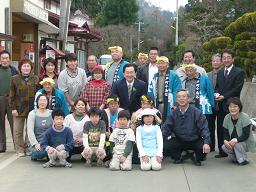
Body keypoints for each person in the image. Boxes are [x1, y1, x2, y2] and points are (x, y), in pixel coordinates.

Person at [162, 89, 211, 166]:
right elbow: (166, 128)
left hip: (194, 140)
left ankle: (195, 155)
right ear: (177, 99)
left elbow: (204, 128)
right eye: (179, 97)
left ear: (188, 98)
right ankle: (181, 154)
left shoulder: (196, 112)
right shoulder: (173, 113)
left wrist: (206, 143)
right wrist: (159, 140)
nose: (181, 99)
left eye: (184, 96)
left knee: (203, 149)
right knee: (164, 146)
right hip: (179, 140)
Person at [215, 49, 245, 158]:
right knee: (220, 128)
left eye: (228, 57)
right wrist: (216, 94)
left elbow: (237, 88)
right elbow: (217, 86)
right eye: (224, 58)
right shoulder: (219, 72)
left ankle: (235, 152)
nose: (226, 60)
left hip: (233, 106)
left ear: (233, 58)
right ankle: (222, 151)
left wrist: (224, 96)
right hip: (221, 105)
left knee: (234, 129)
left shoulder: (239, 72)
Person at [9, 59, 39, 157]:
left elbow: (38, 94)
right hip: (18, 108)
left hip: (31, 108)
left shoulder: (35, 78)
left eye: (28, 66)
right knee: (18, 130)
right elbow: (11, 95)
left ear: (31, 68)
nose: (26, 68)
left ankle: (28, 147)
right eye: (24, 66)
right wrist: (13, 108)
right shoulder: (14, 78)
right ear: (20, 67)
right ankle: (19, 149)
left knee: (30, 129)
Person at [221, 97, 255, 165]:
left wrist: (235, 140)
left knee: (237, 144)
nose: (232, 108)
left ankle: (244, 160)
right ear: (228, 108)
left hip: (245, 142)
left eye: (235, 106)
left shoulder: (245, 117)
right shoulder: (226, 117)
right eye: (230, 106)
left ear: (239, 108)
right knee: (224, 147)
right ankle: (236, 158)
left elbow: (246, 135)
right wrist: (225, 140)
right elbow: (225, 133)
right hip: (234, 142)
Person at [148, 56, 181, 122]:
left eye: (163, 63)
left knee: (169, 123)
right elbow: (150, 91)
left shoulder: (174, 76)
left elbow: (177, 90)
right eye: (159, 63)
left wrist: (175, 103)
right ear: (157, 65)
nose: (161, 65)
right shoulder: (155, 76)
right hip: (156, 104)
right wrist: (149, 103)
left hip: (169, 104)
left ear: (168, 65)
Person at [182, 64, 214, 131]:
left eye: (191, 70)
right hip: (189, 107)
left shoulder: (204, 79)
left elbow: (210, 93)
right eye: (187, 71)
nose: (189, 72)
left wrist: (212, 106)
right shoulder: (184, 81)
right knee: (191, 128)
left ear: (195, 70)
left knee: (203, 128)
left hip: (202, 107)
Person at [0, 50, 18, 153]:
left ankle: (17, 145)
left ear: (9, 60)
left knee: (14, 123)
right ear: (0, 60)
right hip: (0, 98)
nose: (5, 60)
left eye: (7, 58)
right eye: (3, 58)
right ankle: (1, 146)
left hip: (12, 99)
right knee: (0, 123)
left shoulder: (14, 70)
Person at [27, 94, 52, 160]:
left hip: (49, 143)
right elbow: (30, 131)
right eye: (40, 100)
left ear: (47, 102)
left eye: (44, 100)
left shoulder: (51, 113)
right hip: (37, 142)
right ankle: (35, 154)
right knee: (39, 153)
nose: (42, 102)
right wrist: (35, 144)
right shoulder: (32, 113)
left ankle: (49, 153)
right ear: (37, 102)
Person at [207, 54, 223, 151]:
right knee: (210, 126)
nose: (215, 62)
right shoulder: (207, 75)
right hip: (209, 104)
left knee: (221, 126)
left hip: (221, 103)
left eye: (217, 61)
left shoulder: (224, 73)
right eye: (214, 61)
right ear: (211, 62)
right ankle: (211, 146)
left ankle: (222, 148)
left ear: (220, 62)